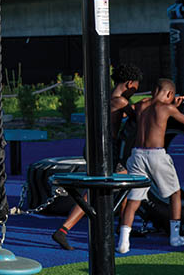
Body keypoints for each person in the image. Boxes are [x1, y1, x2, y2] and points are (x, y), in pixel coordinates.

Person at [51, 63, 141, 251]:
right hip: (107, 149)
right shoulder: (121, 102)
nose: (135, 91)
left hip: (92, 145)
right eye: (135, 87)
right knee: (96, 190)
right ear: (130, 83)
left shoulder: (103, 96)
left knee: (123, 181)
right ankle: (64, 229)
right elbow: (140, 116)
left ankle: (122, 226)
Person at [117, 78, 184, 253]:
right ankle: (175, 237)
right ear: (170, 94)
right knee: (175, 193)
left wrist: (172, 104)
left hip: (137, 154)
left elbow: (150, 116)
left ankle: (123, 242)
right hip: (156, 155)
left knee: (134, 200)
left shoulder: (142, 104)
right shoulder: (167, 108)